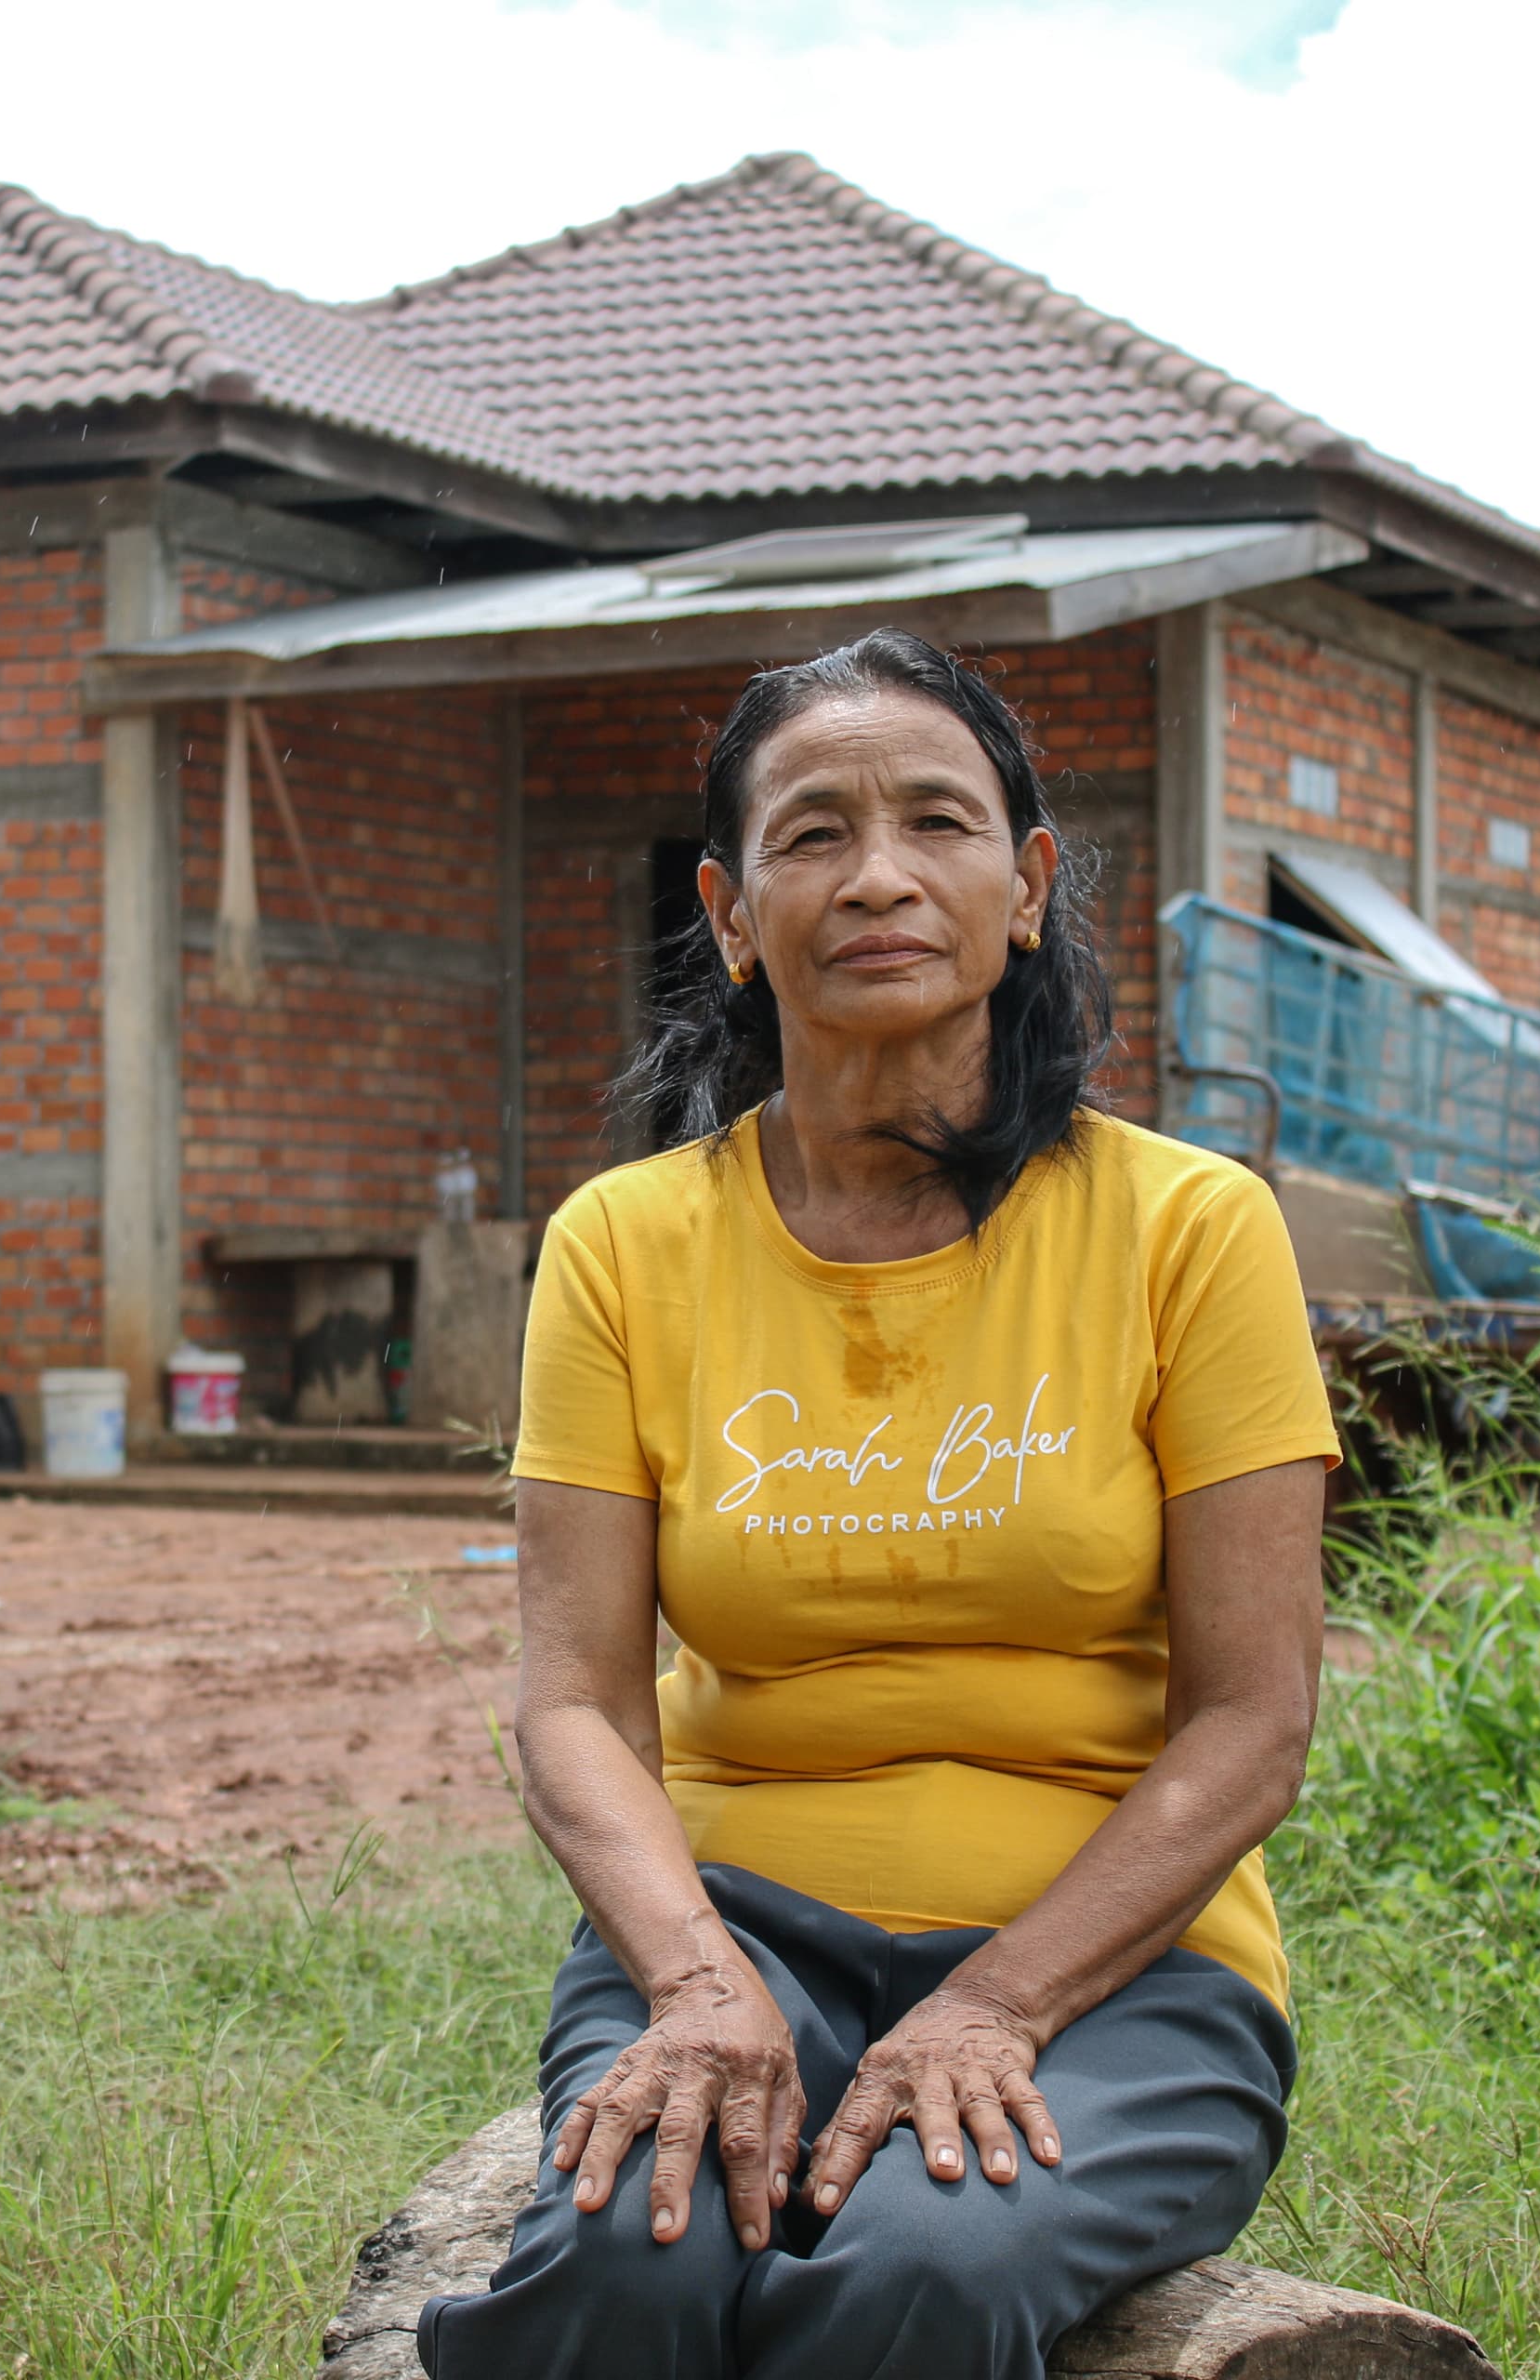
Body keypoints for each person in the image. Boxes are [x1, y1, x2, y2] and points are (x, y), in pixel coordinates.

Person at [416, 628, 1340, 2380]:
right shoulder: (623, 1245)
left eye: (937, 820)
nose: (882, 875)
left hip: (1120, 1973)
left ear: (1027, 886)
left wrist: (996, 2002)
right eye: (814, 834)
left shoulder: (1191, 1228)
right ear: (732, 910)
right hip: (733, 1921)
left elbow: (1255, 1719)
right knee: (637, 2252)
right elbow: (576, 1704)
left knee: (920, 2272)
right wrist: (695, 1983)